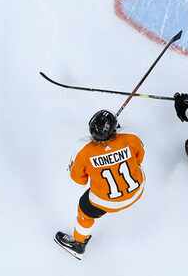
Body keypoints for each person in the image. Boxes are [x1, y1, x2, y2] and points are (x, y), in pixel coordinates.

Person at [54, 110, 145, 260]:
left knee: (84, 207)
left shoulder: (83, 150)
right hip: (137, 190)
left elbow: (79, 179)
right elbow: (140, 157)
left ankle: (78, 243)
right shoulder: (131, 137)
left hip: (107, 202)